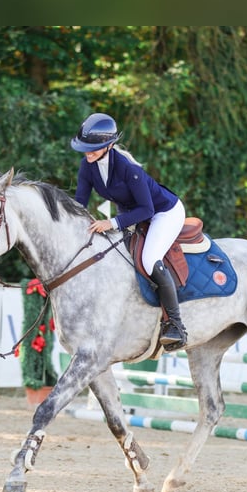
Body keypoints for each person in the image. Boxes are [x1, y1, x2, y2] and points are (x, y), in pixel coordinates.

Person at [70, 112, 187, 350]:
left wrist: (111, 223)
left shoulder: (127, 168)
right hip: (131, 215)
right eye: (85, 148)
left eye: (94, 148)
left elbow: (147, 208)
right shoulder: (87, 166)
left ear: (110, 145)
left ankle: (175, 325)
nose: (87, 152)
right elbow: (79, 203)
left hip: (163, 213)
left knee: (149, 258)